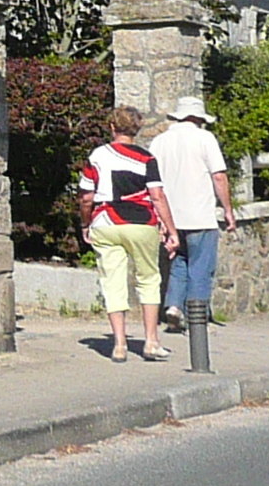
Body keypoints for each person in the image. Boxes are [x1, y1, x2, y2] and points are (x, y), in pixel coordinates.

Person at [78, 105, 172, 361]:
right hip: (141, 223)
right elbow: (157, 196)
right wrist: (170, 228)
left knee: (112, 282)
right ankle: (151, 341)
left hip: (105, 222)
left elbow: (86, 197)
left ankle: (119, 344)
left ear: (112, 127)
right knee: (148, 279)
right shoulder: (146, 158)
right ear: (137, 129)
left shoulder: (97, 156)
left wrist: (85, 224)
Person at [151, 95, 233, 332]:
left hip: (171, 216)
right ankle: (196, 318)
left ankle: (174, 307)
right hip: (199, 215)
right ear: (198, 118)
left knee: (178, 262)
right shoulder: (205, 138)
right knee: (200, 267)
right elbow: (218, 175)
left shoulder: (160, 141)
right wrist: (227, 209)